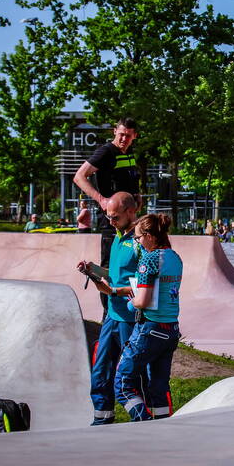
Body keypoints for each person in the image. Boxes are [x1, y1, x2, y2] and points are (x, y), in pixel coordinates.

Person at [76, 192, 140, 426]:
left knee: (130, 374)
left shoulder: (139, 242)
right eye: (107, 217)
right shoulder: (118, 237)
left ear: (131, 212)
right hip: (112, 316)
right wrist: (94, 270)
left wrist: (112, 291)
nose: (110, 221)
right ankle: (102, 419)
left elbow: (142, 286)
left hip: (131, 319)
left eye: (115, 217)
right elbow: (113, 275)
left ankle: (143, 419)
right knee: (100, 370)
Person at [114, 213, 182, 421]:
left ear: (149, 235)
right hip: (170, 329)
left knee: (122, 383)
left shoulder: (149, 260)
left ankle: (142, 422)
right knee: (158, 387)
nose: (137, 242)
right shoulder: (175, 257)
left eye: (138, 237)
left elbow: (142, 301)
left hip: (149, 328)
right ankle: (162, 427)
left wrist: (131, 299)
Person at [73, 118, 141, 313]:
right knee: (111, 264)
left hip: (131, 219)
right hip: (112, 220)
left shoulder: (129, 153)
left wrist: (138, 195)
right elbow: (79, 176)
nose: (124, 139)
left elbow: (129, 178)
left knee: (131, 261)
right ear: (114, 132)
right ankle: (108, 313)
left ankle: (130, 307)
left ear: (134, 136)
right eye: (121, 135)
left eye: (128, 136)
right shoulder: (106, 152)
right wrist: (100, 199)